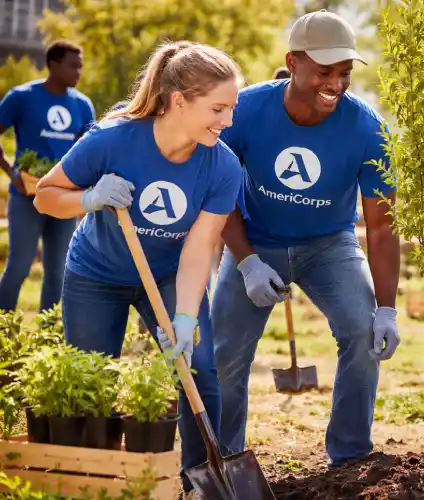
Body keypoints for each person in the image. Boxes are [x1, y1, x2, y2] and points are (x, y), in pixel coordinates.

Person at [32, 41, 243, 498]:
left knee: (200, 369)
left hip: (167, 275)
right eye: (219, 108)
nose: (228, 122)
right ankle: (94, 479)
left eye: (232, 109)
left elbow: (199, 246)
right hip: (96, 274)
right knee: (92, 380)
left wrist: (185, 318)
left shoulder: (223, 165)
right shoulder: (111, 140)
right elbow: (45, 196)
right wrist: (88, 198)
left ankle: (196, 480)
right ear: (179, 100)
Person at [212, 9, 400, 468]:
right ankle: (222, 458)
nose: (335, 83)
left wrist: (388, 308)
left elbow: (380, 225)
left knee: (361, 330)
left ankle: (350, 454)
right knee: (224, 354)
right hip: (254, 240)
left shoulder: (368, 130)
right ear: (292, 62)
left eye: (344, 73)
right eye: (324, 71)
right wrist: (247, 263)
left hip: (328, 245)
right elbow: (217, 199)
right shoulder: (245, 113)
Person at [0, 39, 95, 312]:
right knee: (18, 267)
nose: (78, 72)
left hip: (64, 200)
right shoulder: (22, 97)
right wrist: (12, 171)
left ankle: (48, 333)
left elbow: (87, 150)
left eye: (81, 66)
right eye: (72, 66)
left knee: (58, 272)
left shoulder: (83, 105)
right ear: (53, 65)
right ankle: (3, 329)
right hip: (25, 197)